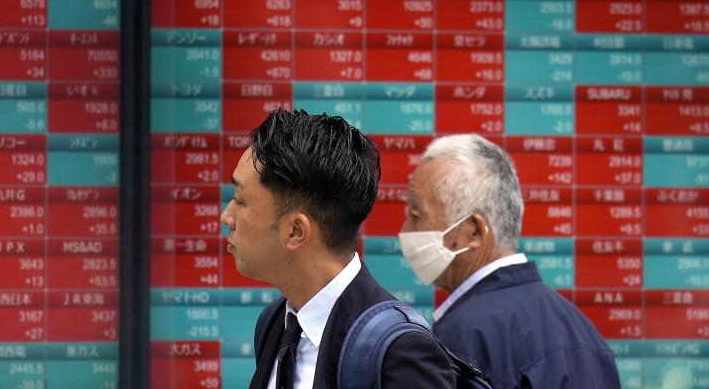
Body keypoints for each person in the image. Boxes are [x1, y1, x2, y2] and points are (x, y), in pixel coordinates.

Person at [222, 108, 454, 389]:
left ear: (296, 231)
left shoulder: (399, 351)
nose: (227, 216)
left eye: (240, 200)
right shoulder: (275, 322)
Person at [400, 133, 621, 388]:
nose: (406, 230)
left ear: (474, 230)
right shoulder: (583, 331)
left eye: (416, 215)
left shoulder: (464, 338)